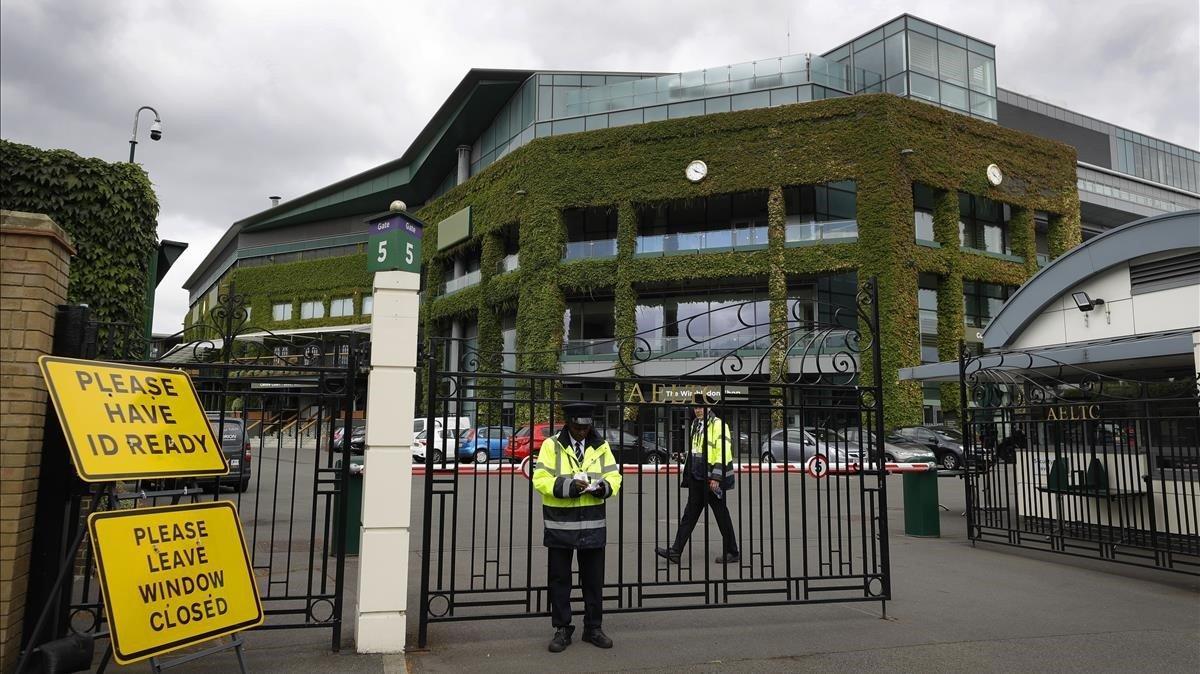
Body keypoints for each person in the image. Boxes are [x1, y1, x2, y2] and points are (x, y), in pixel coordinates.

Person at [531, 402, 622, 653]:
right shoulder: (551, 445)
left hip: (592, 524)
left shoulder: (601, 446)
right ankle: (562, 628)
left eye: (586, 427)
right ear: (568, 423)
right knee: (560, 580)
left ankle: (593, 627)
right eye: (577, 427)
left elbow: (614, 476)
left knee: (593, 581)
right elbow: (540, 479)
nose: (582, 432)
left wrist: (604, 488)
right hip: (560, 524)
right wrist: (569, 487)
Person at [656, 404, 739, 565]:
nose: (698, 410)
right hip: (696, 478)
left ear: (709, 408)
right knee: (689, 516)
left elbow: (723, 452)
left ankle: (732, 551)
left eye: (701, 407)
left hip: (710, 479)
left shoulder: (718, 425)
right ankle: (676, 551)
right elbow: (698, 450)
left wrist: (716, 477)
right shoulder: (695, 424)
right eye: (695, 407)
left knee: (722, 516)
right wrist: (684, 456)